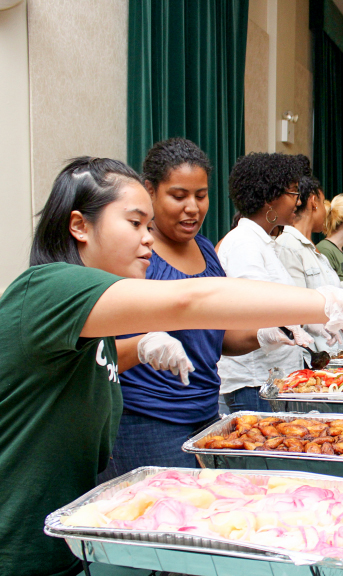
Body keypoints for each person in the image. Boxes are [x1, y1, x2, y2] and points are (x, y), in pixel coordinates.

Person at [0, 156, 343, 576]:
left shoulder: (89, 311)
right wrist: (332, 304)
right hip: (21, 549)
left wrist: (141, 346)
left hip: (65, 542)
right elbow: (190, 300)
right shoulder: (47, 287)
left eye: (148, 226)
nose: (147, 240)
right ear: (78, 226)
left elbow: (84, 369)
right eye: (135, 223)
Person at [101, 138, 262, 479]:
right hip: (146, 419)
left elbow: (218, 338)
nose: (192, 207)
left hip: (205, 413)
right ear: (150, 191)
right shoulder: (135, 254)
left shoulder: (206, 249)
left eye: (200, 195)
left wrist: (264, 334)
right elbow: (103, 348)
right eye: (178, 196)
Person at [216, 152, 317, 413]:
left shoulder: (263, 242)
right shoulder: (243, 243)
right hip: (254, 382)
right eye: (294, 192)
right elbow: (256, 307)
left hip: (272, 377)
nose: (298, 201)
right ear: (270, 198)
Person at [276, 175, 343, 353]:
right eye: (323, 203)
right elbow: (293, 307)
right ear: (314, 202)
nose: (325, 211)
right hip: (314, 355)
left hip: (332, 352)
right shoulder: (289, 245)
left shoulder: (310, 248)